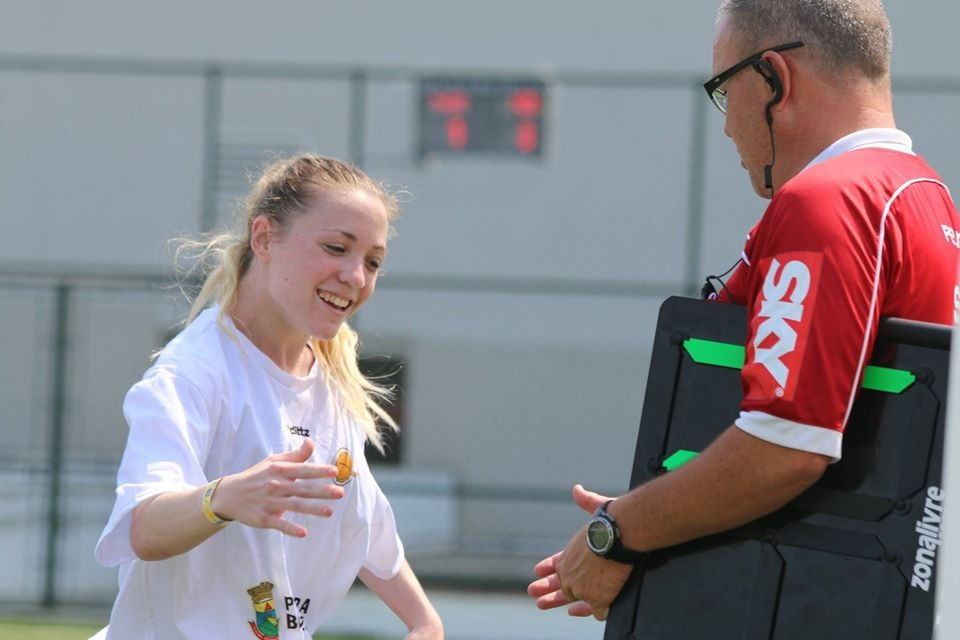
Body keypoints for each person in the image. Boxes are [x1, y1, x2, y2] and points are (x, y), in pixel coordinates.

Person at [528, 0, 960, 622]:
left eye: (725, 91)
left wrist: (615, 533)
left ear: (775, 78)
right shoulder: (927, 196)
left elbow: (785, 446)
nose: (728, 126)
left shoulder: (828, 201)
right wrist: (667, 510)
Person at [92, 154, 444, 639]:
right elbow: (142, 529)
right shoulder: (194, 372)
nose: (356, 276)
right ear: (264, 238)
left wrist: (424, 622)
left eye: (372, 261)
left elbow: (367, 525)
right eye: (336, 247)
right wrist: (224, 499)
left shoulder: (331, 378)